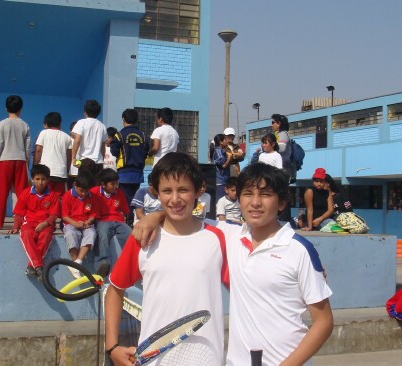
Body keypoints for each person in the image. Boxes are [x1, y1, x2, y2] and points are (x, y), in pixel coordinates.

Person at [133, 162, 334, 365]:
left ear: (282, 203)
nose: (255, 202)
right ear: (238, 200)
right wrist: (153, 217)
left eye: (265, 195)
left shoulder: (298, 250)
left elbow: (324, 322)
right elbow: (181, 218)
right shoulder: (231, 236)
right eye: (247, 194)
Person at [104, 152, 228, 365]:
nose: (175, 199)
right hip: (153, 360)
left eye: (183, 190)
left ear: (199, 190)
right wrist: (112, 346)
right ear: (156, 193)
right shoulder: (142, 238)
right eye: (167, 191)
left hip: (207, 359)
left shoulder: (220, 236)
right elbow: (114, 290)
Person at [8, 164, 60, 280]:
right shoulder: (26, 193)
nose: (40, 182)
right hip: (29, 223)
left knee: (46, 236)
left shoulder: (52, 195)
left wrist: (45, 223)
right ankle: (39, 266)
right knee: (27, 234)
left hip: (45, 223)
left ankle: (32, 266)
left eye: (43, 179)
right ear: (32, 179)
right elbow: (19, 213)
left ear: (48, 180)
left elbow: (54, 215)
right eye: (37, 179)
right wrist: (16, 226)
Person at [0, 95, 31, 230]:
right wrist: (27, 164)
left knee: (1, 194)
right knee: (21, 194)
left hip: (5, 160)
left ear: (6, 108)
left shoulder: (3, 123)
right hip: (20, 161)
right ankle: (20, 223)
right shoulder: (25, 125)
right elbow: (27, 148)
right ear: (21, 109)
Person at [109, 108, 150, 225]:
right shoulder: (143, 135)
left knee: (126, 199)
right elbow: (146, 150)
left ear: (123, 119)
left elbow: (113, 151)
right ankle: (132, 220)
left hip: (124, 172)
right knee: (134, 197)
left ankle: (129, 221)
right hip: (138, 172)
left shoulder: (119, 135)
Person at [90, 168, 131, 275]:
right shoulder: (93, 192)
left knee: (131, 235)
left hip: (119, 221)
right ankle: (102, 264)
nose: (116, 186)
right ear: (103, 185)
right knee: (102, 234)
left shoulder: (120, 193)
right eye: (112, 184)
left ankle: (132, 262)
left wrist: (124, 218)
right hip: (103, 220)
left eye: (117, 183)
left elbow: (125, 210)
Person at [61, 172, 99, 278]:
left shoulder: (92, 196)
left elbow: (94, 214)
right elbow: (64, 216)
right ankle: (75, 263)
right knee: (70, 233)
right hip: (70, 222)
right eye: (81, 191)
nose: (83, 194)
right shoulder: (67, 195)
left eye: (86, 191)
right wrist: (75, 223)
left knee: (91, 233)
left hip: (86, 224)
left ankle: (77, 262)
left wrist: (88, 222)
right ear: (75, 185)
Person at [34, 112, 72, 195]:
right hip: (61, 173)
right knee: (60, 199)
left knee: (45, 196)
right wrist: (67, 169)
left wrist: (35, 165)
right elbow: (69, 155)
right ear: (60, 123)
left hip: (45, 172)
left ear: (46, 123)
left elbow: (38, 150)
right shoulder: (67, 137)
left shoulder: (43, 133)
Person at [71, 100, 107, 180]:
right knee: (96, 188)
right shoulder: (102, 126)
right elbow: (103, 145)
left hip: (85, 161)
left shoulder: (81, 122)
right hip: (98, 162)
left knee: (84, 187)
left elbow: (77, 140)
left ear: (85, 112)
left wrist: (73, 158)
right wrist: (103, 159)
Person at [211, 133, 232, 203]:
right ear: (221, 142)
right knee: (221, 202)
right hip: (220, 181)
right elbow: (223, 164)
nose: (227, 141)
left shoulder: (222, 150)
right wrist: (229, 158)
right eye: (225, 139)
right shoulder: (218, 150)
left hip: (223, 180)